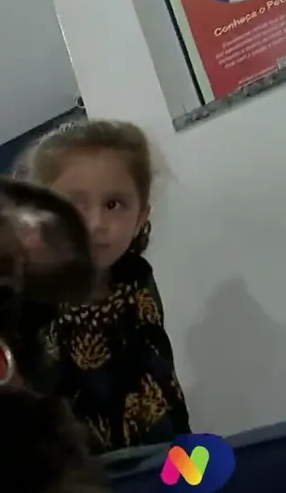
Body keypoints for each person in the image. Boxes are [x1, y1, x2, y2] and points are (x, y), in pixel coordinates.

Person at [14, 119, 192, 452]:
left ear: (140, 218)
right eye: (75, 205)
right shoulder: (25, 303)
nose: (96, 224)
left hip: (153, 469)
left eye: (114, 205)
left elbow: (162, 390)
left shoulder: (137, 287)